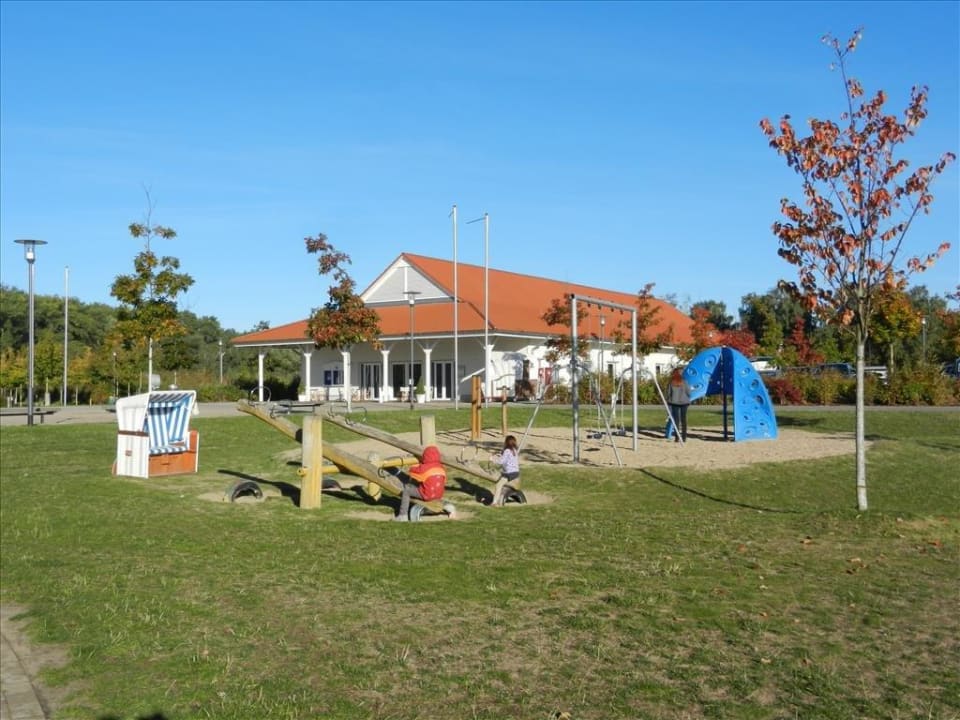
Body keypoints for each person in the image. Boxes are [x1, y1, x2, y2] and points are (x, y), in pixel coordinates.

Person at [396, 445, 447, 521]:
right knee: (426, 483)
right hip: (439, 495)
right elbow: (444, 481)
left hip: (427, 495)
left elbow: (412, 471)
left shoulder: (424, 469)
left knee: (406, 491)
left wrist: (416, 464)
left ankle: (402, 515)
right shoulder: (441, 468)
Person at [490, 435, 520, 506]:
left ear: (506, 442)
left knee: (498, 485)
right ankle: (498, 498)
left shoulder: (507, 450)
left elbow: (501, 461)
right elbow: (508, 460)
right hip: (515, 472)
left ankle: (494, 503)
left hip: (509, 473)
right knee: (501, 480)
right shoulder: (515, 450)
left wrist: (492, 460)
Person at [666, 367, 691, 443]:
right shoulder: (685, 382)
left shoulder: (671, 382)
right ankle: (684, 438)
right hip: (684, 402)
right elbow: (689, 392)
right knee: (684, 420)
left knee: (676, 420)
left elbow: (668, 393)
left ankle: (677, 437)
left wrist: (669, 399)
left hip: (674, 402)